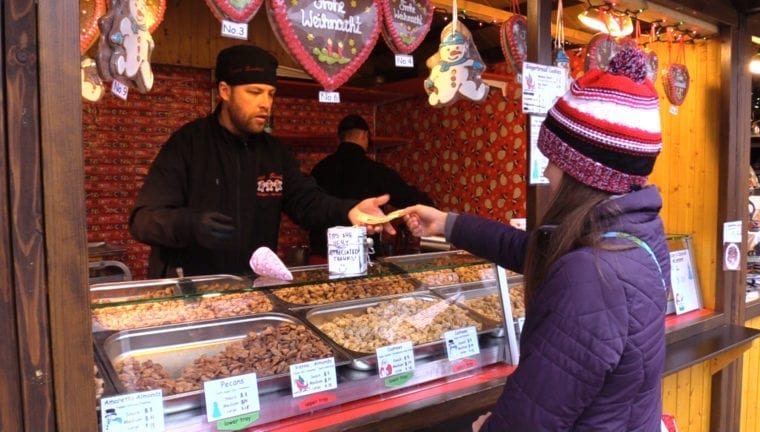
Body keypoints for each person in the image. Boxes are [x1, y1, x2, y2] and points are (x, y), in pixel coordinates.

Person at [402, 47, 670, 431]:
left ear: (584, 171)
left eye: (554, 159)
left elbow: (530, 418)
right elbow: (534, 250)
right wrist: (447, 224)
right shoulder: (634, 232)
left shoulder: (592, 275)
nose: (546, 170)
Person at [129, 44, 393, 278]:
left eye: (270, 93)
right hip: (192, 289)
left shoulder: (274, 152)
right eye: (255, 92)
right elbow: (142, 220)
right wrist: (189, 224)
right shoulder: (188, 144)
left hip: (252, 287)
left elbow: (307, 201)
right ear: (224, 91)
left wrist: (348, 211)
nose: (266, 104)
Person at [309, 114, 434, 255]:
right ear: (364, 135)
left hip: (321, 255)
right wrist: (431, 208)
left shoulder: (319, 169)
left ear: (340, 138)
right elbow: (407, 197)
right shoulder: (376, 170)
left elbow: (308, 208)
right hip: (363, 256)